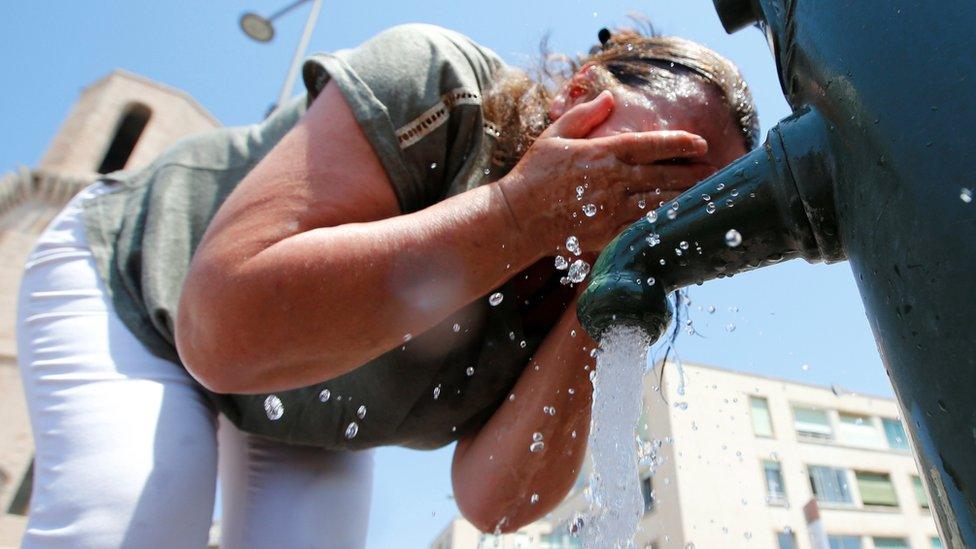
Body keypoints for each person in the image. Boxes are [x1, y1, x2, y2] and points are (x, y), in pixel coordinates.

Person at [16, 21, 757, 547]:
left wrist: (608, 295)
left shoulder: (590, 285)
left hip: (307, 399)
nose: (651, 207)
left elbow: (500, 501)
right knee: (132, 522)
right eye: (655, 164)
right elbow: (224, 332)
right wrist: (522, 214)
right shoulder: (439, 88)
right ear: (581, 95)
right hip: (135, 281)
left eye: (687, 212)